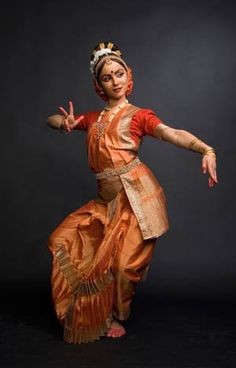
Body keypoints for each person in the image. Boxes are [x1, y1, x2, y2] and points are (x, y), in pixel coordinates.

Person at [47, 41, 218, 344]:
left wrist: (205, 148)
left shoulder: (138, 116)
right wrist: (64, 124)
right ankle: (95, 311)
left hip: (137, 196)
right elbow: (53, 120)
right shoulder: (93, 119)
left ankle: (118, 316)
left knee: (124, 265)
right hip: (106, 200)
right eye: (107, 77)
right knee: (64, 240)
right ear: (99, 86)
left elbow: (171, 133)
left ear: (129, 76)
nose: (115, 81)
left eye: (119, 73)